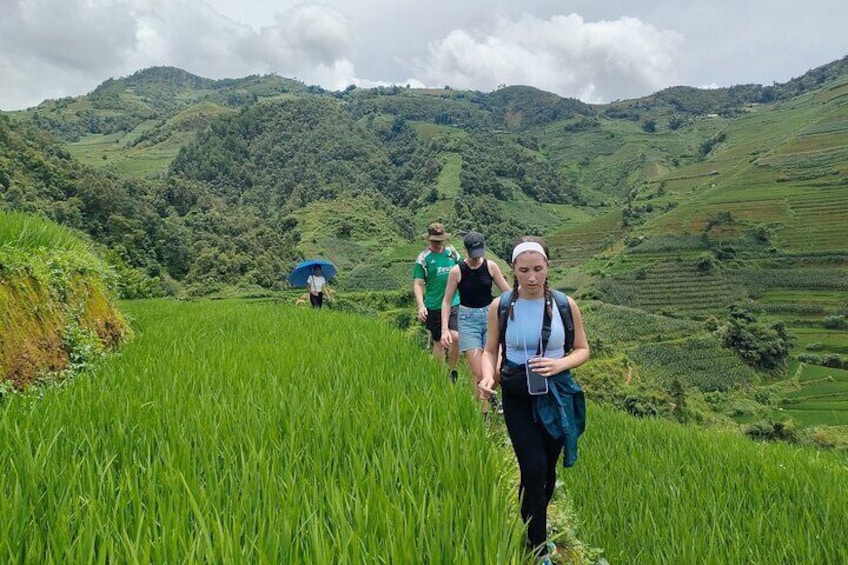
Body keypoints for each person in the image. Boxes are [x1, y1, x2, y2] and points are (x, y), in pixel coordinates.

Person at [478, 236, 590, 563]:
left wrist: (560, 363)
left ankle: (532, 519)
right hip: (517, 396)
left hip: (555, 394)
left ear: (548, 268)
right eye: (524, 270)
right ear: (512, 269)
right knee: (533, 468)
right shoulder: (501, 306)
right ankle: (538, 546)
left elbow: (583, 349)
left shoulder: (565, 305)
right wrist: (488, 377)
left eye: (537, 269)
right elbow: (489, 351)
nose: (531, 277)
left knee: (548, 472)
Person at [440, 231, 511, 416]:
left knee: (495, 370)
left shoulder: (491, 267)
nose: (477, 258)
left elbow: (507, 292)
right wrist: (445, 329)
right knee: (479, 371)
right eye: (473, 253)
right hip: (467, 320)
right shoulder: (457, 271)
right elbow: (447, 301)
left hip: (490, 317)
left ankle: (486, 398)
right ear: (465, 250)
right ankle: (484, 414)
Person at [413, 222, 461, 380]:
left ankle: (452, 371)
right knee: (439, 342)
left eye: (441, 240)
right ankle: (439, 375)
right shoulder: (423, 259)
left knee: (455, 337)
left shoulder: (452, 254)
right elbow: (418, 284)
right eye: (435, 241)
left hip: (454, 302)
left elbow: (464, 270)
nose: (439, 244)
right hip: (434, 305)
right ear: (429, 240)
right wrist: (421, 306)